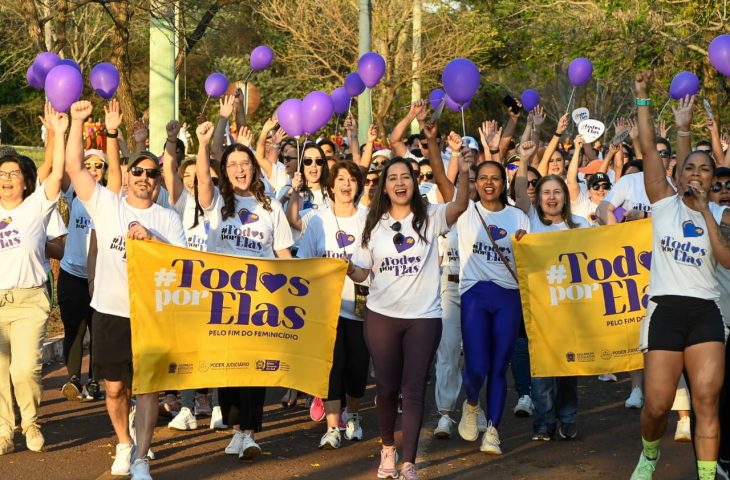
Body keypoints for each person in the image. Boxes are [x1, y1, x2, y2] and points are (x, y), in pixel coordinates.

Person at [65, 100, 187, 480]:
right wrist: (77, 122)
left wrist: (150, 239)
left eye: (152, 173)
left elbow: (183, 266)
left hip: (152, 316)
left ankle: (141, 457)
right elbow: (73, 168)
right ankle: (123, 442)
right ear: (129, 174)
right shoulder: (107, 205)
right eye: (138, 171)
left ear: (157, 180)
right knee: (116, 389)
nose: (144, 178)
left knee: (148, 388)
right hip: (111, 310)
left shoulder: (168, 218)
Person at [347, 144, 472, 480]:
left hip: (424, 318)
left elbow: (460, 204)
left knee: (413, 387)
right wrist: (347, 269)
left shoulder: (430, 217)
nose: (399, 183)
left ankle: (409, 463)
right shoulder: (373, 224)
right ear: (384, 186)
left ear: (415, 183)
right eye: (392, 178)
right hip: (382, 317)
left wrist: (463, 169)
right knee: (387, 388)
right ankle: (388, 448)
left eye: (405, 177)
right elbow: (362, 272)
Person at [630, 73, 730, 480]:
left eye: (705, 169)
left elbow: (726, 259)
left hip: (706, 311)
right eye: (690, 167)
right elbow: (650, 148)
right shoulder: (663, 201)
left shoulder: (722, 216)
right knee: (656, 404)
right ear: (680, 172)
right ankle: (649, 455)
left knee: (707, 400)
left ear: (713, 177)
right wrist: (643, 99)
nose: (697, 173)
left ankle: (706, 475)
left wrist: (707, 212)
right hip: (665, 310)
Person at [199, 141, 293, 460]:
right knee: (227, 368)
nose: (240, 169)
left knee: (254, 367)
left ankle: (250, 433)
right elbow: (200, 179)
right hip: (223, 301)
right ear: (224, 171)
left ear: (254, 167)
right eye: (232, 164)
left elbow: (283, 253)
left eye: (245, 163)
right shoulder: (214, 202)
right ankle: (236, 429)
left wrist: (303, 278)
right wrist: (203, 143)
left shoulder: (271, 207)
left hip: (260, 302)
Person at [0, 105, 66, 455]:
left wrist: (57, 133)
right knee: (0, 372)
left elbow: (55, 174)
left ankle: (30, 421)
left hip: (29, 302)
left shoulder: (35, 207)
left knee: (24, 370)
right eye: (1, 174)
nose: (7, 178)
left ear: (26, 181)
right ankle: (4, 430)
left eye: (13, 173)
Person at [514, 142, 591, 441]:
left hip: (572, 308)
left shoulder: (581, 225)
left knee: (569, 368)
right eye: (545, 192)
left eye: (557, 192)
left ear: (565, 198)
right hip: (539, 308)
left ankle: (568, 416)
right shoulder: (529, 221)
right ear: (539, 198)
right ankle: (543, 423)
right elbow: (520, 191)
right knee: (543, 368)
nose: (551, 197)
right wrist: (523, 159)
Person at [455, 152, 530, 454]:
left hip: (508, 296)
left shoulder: (518, 218)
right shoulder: (465, 212)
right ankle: (472, 403)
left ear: (504, 183)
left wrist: (527, 242)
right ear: (476, 183)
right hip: (474, 293)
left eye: (495, 178)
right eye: (483, 178)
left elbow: (532, 258)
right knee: (477, 366)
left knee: (499, 366)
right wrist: (461, 171)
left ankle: (494, 431)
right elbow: (459, 190)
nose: (488, 183)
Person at [298, 161, 369, 449]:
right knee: (331, 367)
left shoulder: (369, 219)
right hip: (326, 309)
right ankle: (331, 427)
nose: (346, 184)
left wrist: (353, 269)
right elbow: (305, 260)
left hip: (362, 307)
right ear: (331, 186)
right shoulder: (318, 220)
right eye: (340, 179)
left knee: (357, 370)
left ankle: (352, 415)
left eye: (352, 179)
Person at [58, 99, 123, 402]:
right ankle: (72, 378)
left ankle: (96, 380)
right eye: (90, 165)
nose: (94, 169)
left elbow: (120, 170)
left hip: (102, 275)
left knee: (99, 331)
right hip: (72, 272)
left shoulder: (110, 197)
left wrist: (114, 136)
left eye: (100, 166)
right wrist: (75, 125)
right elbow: (69, 162)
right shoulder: (75, 191)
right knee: (75, 328)